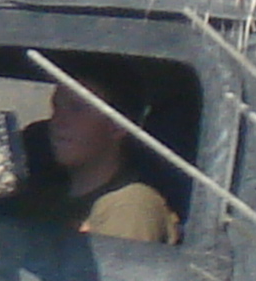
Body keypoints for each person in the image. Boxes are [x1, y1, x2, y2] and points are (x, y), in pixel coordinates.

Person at [21, 74, 179, 244]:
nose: (58, 121)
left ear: (117, 126)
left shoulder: (130, 205)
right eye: (56, 107)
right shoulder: (47, 198)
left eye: (77, 108)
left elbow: (119, 268)